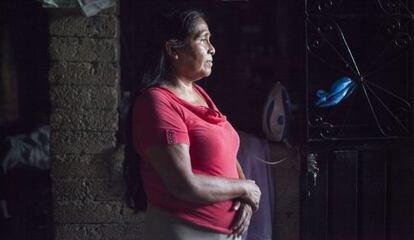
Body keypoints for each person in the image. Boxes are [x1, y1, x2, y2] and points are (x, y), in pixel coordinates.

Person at [127, 9, 261, 240]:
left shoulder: (198, 93)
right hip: (186, 232)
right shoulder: (156, 103)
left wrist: (245, 198)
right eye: (202, 39)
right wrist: (246, 188)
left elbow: (228, 153)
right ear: (173, 50)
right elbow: (183, 185)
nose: (212, 48)